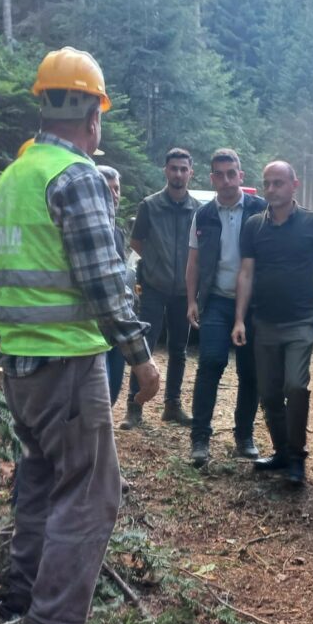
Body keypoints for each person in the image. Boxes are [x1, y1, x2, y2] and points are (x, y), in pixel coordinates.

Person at [0, 47, 160, 624]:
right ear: (91, 113)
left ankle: (25, 594)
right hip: (67, 364)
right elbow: (104, 279)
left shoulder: (14, 177)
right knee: (90, 490)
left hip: (22, 364)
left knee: (39, 480)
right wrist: (139, 357)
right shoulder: (75, 176)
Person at [233, 161, 313, 487]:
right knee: (268, 392)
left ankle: (297, 457)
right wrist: (239, 318)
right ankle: (281, 451)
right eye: (267, 183)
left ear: (294, 185)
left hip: (301, 319)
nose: (271, 189)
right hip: (264, 320)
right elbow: (247, 273)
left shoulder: (312, 223)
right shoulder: (253, 226)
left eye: (278, 183)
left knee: (295, 385)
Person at [185, 149, 266, 467]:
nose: (227, 180)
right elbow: (192, 262)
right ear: (212, 178)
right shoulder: (203, 215)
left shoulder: (261, 210)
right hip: (216, 300)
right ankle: (200, 438)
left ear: (241, 176)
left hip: (255, 304)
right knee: (211, 363)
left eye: (232, 173)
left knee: (251, 371)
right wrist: (191, 299)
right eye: (220, 174)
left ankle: (244, 436)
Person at [122, 148, 200, 429]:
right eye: (174, 168)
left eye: (183, 169)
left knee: (179, 350)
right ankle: (134, 406)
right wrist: (155, 265)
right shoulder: (149, 205)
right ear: (165, 170)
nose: (178, 173)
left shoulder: (197, 210)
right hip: (153, 287)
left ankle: (172, 405)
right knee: (144, 346)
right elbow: (137, 242)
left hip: (184, 292)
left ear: (191, 172)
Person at [97, 164, 129, 406]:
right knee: (101, 389)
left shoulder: (117, 232)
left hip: (118, 321)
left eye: (116, 189)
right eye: (108, 190)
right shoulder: (91, 231)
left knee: (114, 385)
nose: (114, 195)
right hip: (95, 325)